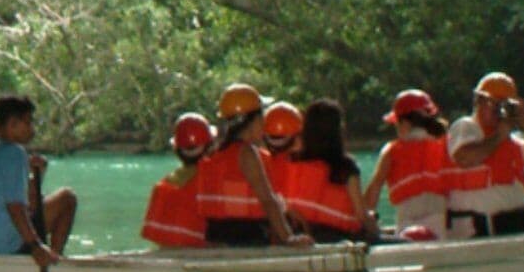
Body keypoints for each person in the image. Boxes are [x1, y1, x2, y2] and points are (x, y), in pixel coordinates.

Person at [0, 95, 76, 261]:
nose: (32, 129)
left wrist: (38, 175)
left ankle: (50, 258)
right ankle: (53, 260)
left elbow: (29, 204)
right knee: (67, 198)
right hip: (4, 246)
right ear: (13, 124)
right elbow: (15, 208)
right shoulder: (13, 152)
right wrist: (36, 246)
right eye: (28, 123)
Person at [443, 71, 524, 234]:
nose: (499, 111)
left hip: (510, 216)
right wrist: (500, 135)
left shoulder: (508, 140)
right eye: (494, 104)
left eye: (504, 105)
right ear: (478, 101)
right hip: (479, 220)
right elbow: (465, 158)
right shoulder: (466, 127)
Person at [190, 88, 297, 246]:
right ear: (252, 121)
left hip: (215, 240)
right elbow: (268, 201)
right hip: (246, 239)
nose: (264, 122)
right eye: (261, 116)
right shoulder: (246, 153)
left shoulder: (213, 153)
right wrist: (290, 239)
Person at [361, 89, 451, 239]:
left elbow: (373, 192)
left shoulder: (392, 151)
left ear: (404, 123)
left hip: (406, 224)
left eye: (396, 124)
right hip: (442, 225)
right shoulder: (446, 144)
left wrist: (362, 222)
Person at [277, 98, 370, 241]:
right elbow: (362, 216)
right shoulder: (346, 167)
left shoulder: (291, 160)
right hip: (340, 238)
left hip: (299, 236)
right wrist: (375, 228)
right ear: (337, 131)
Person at [140, 113, 217, 246]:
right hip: (201, 255)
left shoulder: (161, 187)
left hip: (166, 256)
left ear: (176, 149)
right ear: (210, 146)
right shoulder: (213, 183)